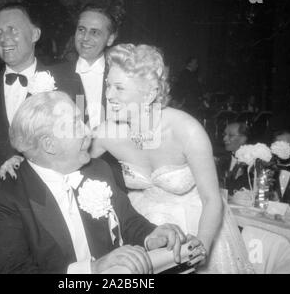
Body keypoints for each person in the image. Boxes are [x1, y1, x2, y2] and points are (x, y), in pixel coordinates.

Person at [0, 91, 205, 273]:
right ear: (49, 145)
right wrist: (92, 270)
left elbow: (128, 220)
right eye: (77, 125)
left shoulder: (98, 170)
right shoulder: (1, 198)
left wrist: (151, 237)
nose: (89, 132)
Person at [90, 44, 254, 273]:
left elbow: (212, 199)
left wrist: (203, 244)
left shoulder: (187, 130)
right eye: (108, 85)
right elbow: (72, 166)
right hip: (145, 226)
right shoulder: (106, 133)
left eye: (119, 88)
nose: (108, 96)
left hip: (199, 224)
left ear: (149, 94)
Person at [0, 3, 76, 232]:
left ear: (35, 34)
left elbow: (76, 147)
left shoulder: (66, 81)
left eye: (13, 29)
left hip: (50, 210)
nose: (4, 38)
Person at [50, 3, 127, 192]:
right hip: (65, 177)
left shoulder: (123, 76)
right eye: (81, 30)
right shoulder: (52, 77)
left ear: (110, 39)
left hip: (117, 176)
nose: (85, 38)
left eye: (95, 32)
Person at [217, 122, 252, 195]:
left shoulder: (254, 162)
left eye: (230, 135)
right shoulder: (220, 159)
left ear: (243, 139)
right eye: (224, 135)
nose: (224, 138)